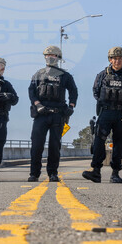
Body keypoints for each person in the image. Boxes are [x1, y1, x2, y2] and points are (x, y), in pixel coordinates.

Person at [82, 47, 122, 184]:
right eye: (114, 58)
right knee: (98, 141)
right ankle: (96, 171)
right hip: (106, 112)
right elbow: (95, 91)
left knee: (118, 144)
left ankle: (115, 173)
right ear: (110, 59)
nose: (117, 61)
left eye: (120, 58)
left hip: (121, 114)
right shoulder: (102, 75)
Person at [27, 45, 77, 182]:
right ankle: (34, 174)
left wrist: (71, 106)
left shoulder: (65, 75)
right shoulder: (38, 74)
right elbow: (31, 92)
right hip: (41, 114)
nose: (50, 57)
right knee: (37, 145)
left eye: (53, 55)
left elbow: (73, 91)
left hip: (57, 115)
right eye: (47, 55)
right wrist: (37, 105)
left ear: (58, 58)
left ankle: (53, 173)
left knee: (55, 146)